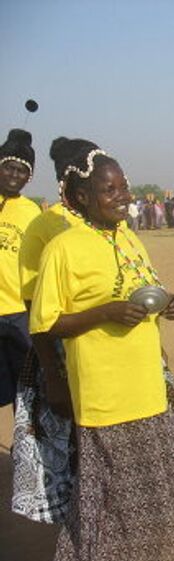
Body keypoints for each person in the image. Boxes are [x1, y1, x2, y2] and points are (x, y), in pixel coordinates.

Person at [30, 137, 174, 561]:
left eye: (124, 187)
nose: (124, 197)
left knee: (149, 493)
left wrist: (170, 302)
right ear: (82, 198)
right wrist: (103, 313)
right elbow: (46, 322)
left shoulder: (129, 238)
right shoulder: (63, 249)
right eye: (111, 190)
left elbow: (147, 289)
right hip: (105, 396)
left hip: (147, 388)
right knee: (108, 500)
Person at [0, 129, 40, 407]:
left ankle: (23, 448)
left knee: (25, 389)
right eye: (9, 167)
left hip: (19, 313)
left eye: (22, 170)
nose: (15, 175)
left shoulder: (32, 212)